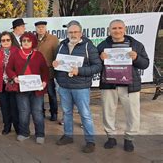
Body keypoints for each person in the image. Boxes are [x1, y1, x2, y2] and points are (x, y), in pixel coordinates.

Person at [97, 19, 149, 152]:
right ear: (109, 30)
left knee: (133, 114)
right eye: (114, 28)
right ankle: (111, 137)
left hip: (129, 85)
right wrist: (100, 58)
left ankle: (129, 138)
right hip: (109, 84)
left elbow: (145, 64)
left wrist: (136, 57)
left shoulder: (136, 45)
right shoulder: (102, 45)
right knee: (108, 112)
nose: (117, 31)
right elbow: (96, 65)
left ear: (124, 29)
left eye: (120, 28)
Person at [53, 20, 102, 153]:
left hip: (81, 87)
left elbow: (98, 66)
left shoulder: (88, 46)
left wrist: (79, 71)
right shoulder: (61, 46)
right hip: (64, 86)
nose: (73, 34)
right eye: (70, 32)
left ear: (81, 33)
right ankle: (68, 135)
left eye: (76, 32)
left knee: (85, 114)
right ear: (67, 33)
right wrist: (55, 65)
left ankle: (90, 141)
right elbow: (57, 64)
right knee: (67, 112)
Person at [6, 33, 49, 144]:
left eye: (28, 41)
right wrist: (14, 77)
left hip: (37, 89)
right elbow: (9, 69)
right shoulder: (15, 54)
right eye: (24, 40)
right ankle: (24, 133)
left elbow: (45, 71)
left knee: (37, 112)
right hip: (22, 89)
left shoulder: (38, 55)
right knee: (23, 112)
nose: (26, 42)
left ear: (33, 42)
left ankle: (40, 134)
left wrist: (44, 82)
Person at [0, 31, 20, 135]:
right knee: (4, 107)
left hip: (14, 85)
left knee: (14, 107)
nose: (5, 42)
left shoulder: (17, 51)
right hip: (0, 85)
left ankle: (17, 127)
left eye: (7, 40)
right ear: (0, 42)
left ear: (11, 40)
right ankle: (7, 127)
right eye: (3, 40)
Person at [35, 21, 59, 121]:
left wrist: (56, 69)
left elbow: (57, 55)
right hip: (36, 71)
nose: (41, 29)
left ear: (46, 28)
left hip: (49, 70)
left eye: (42, 27)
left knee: (51, 93)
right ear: (36, 29)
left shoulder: (53, 39)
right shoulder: (33, 40)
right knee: (38, 93)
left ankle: (54, 113)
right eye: (39, 27)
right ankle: (41, 112)